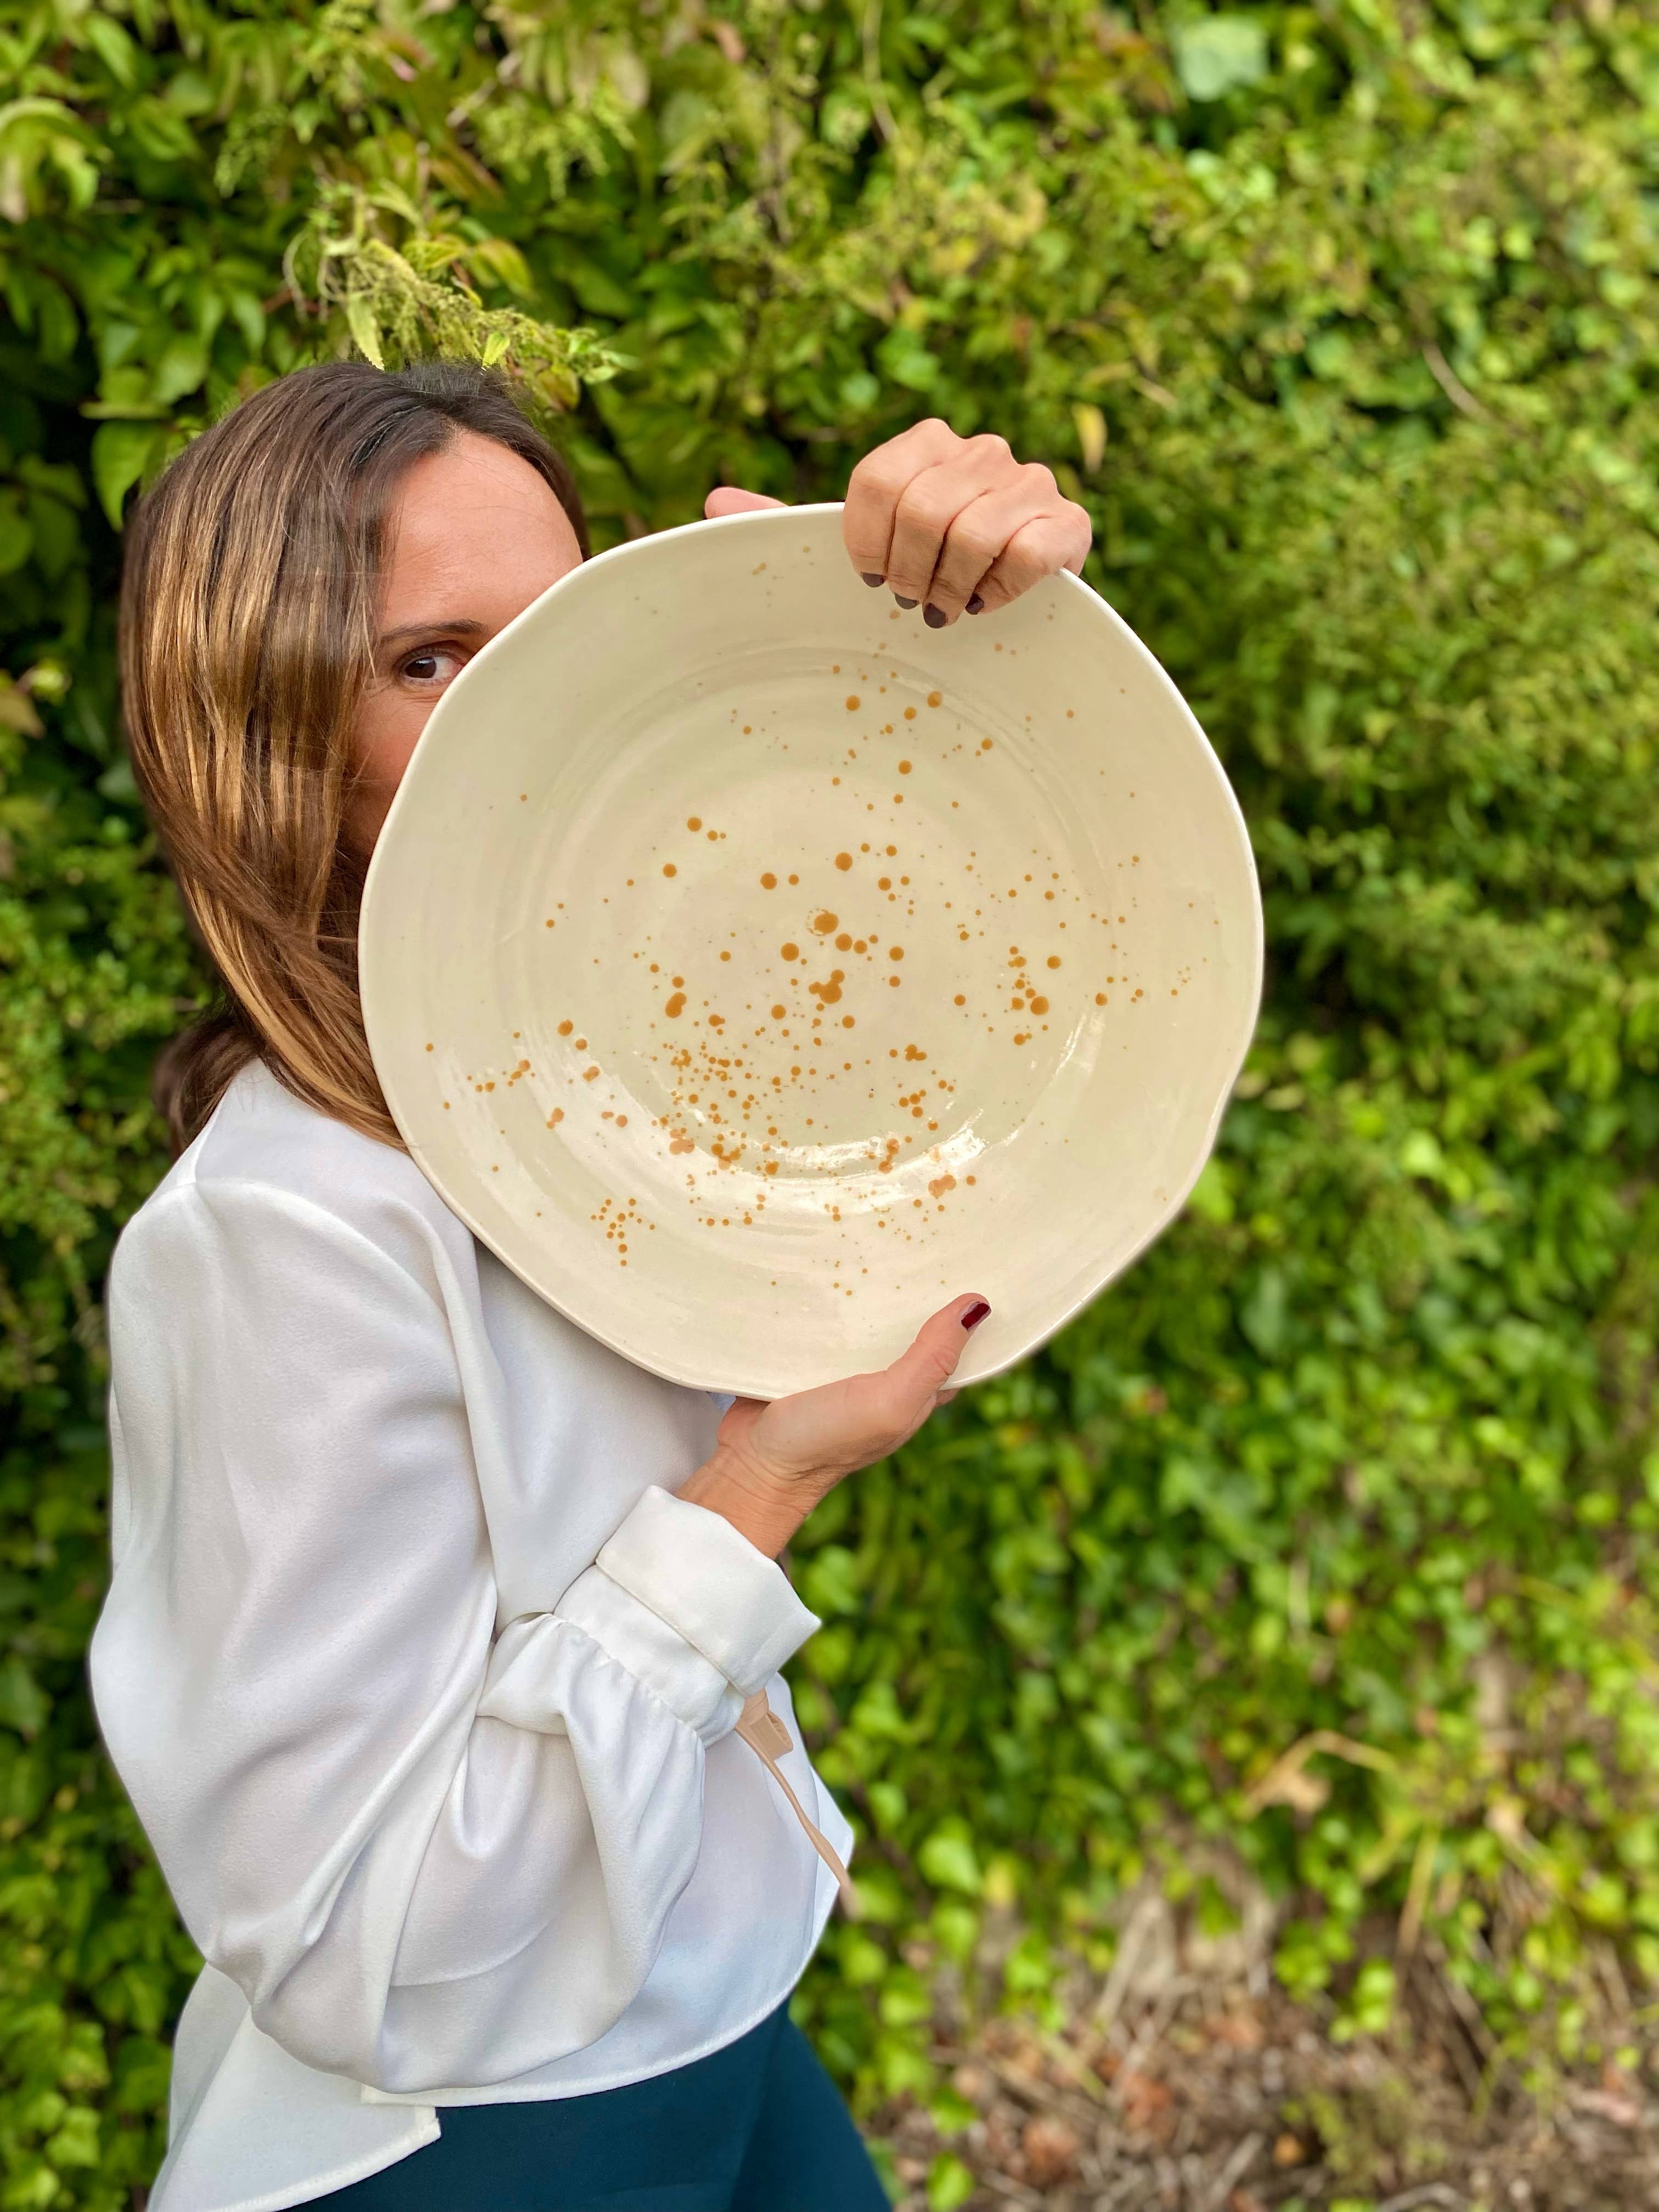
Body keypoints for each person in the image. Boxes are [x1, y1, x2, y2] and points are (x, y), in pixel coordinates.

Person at [87, 360, 1092, 2212]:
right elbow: (347, 1946)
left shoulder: (596, 1079)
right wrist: (757, 1491)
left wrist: (863, 665)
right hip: (475, 2145)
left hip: (718, 2033)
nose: (528, 711)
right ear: (265, 739)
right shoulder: (290, 1232)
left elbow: (1017, 986)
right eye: (431, 659)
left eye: (560, 633)